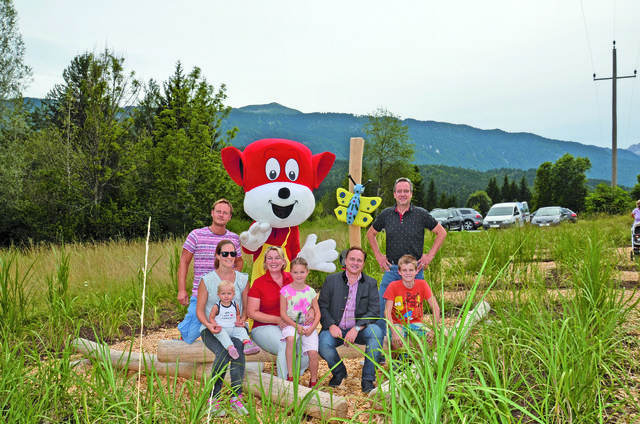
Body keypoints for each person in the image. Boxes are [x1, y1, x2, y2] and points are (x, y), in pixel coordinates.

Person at [366, 177, 447, 332]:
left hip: (414, 271)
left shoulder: (420, 214)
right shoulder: (386, 214)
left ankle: (414, 345)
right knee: (382, 305)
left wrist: (429, 256)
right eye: (399, 191)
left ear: (410, 194)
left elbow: (441, 232)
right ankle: (385, 341)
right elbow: (371, 234)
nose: (402, 194)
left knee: (413, 307)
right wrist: (378, 255)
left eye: (406, 191)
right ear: (394, 194)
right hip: (392, 269)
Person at [196, 241, 252, 417]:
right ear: (217, 255)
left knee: (238, 348)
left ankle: (236, 397)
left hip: (235, 327)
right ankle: (214, 397)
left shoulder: (243, 279)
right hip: (212, 328)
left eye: (232, 254)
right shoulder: (207, 280)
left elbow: (245, 309)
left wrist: (242, 319)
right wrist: (209, 325)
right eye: (225, 253)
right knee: (223, 351)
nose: (229, 257)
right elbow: (200, 310)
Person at [317, 246, 384, 394]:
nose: (355, 263)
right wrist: (331, 325)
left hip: (360, 330)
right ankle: (339, 372)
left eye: (359, 260)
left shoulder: (370, 283)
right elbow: (322, 306)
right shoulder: (331, 280)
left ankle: (367, 379)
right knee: (323, 343)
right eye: (352, 259)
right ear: (345, 261)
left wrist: (357, 328)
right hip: (336, 328)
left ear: (363, 264)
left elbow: (374, 311)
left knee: (377, 333)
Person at [177, 199, 243, 343]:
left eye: (225, 213)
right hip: (200, 295)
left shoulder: (233, 238)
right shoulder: (196, 235)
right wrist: (182, 289)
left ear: (229, 217)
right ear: (212, 213)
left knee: (229, 334)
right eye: (218, 211)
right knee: (190, 335)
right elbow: (184, 262)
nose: (221, 215)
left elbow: (239, 261)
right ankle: (179, 346)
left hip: (225, 297)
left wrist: (231, 276)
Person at [247, 246, 310, 379]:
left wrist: (311, 312)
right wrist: (277, 319)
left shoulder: (292, 278)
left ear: (283, 261)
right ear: (265, 262)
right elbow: (252, 312)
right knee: (285, 343)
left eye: (277, 258)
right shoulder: (259, 284)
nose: (273, 261)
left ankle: (294, 376)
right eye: (269, 258)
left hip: (291, 324)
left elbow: (306, 299)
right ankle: (284, 387)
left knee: (307, 349)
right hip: (264, 327)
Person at [384, 255, 445, 351]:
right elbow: (387, 312)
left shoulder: (422, 284)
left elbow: (436, 308)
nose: (408, 273)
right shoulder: (393, 286)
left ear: (417, 271)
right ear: (399, 272)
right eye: (404, 270)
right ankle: (396, 364)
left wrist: (434, 330)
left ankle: (420, 363)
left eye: (411, 270)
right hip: (398, 323)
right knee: (397, 340)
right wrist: (394, 332)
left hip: (416, 323)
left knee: (433, 340)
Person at [279, 257, 321, 388]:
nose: (299, 275)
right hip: (292, 324)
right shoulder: (285, 291)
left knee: (313, 352)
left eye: (302, 272)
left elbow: (318, 313)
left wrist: (312, 327)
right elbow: (283, 314)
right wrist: (296, 326)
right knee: (290, 339)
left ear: (307, 272)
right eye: (295, 272)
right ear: (290, 273)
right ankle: (290, 375)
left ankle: (313, 380)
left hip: (308, 326)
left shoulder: (311, 292)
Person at [207, 280, 260, 359]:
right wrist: (214, 324)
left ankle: (247, 344)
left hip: (233, 327)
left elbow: (237, 314)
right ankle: (231, 348)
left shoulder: (235, 305)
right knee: (222, 335)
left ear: (233, 294)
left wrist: (238, 320)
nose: (226, 296)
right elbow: (211, 317)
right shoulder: (217, 306)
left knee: (242, 330)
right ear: (218, 295)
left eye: (229, 293)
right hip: (222, 328)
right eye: (223, 294)